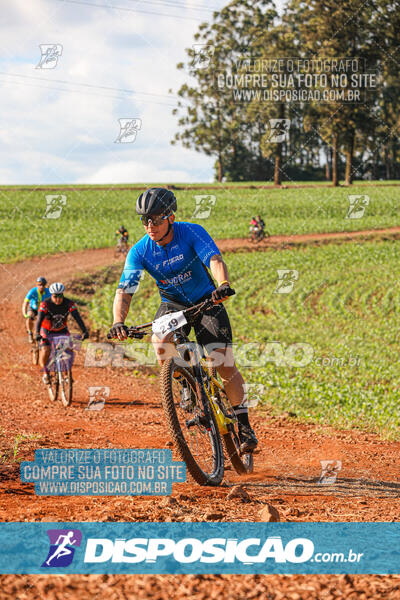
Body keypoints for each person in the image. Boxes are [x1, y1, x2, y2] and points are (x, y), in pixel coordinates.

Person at [109, 187, 258, 452]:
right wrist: (118, 321)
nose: (149, 225)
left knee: (223, 362)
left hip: (206, 300)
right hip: (173, 305)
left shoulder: (190, 232)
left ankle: (244, 424)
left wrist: (222, 283)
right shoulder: (140, 251)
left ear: (171, 217)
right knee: (159, 340)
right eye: (144, 220)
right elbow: (125, 289)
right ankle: (183, 380)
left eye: (155, 218)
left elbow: (213, 258)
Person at [35, 282, 89, 384]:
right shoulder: (45, 304)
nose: (58, 299)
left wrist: (84, 331)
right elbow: (39, 320)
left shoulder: (69, 304)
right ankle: (46, 373)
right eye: (55, 297)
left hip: (62, 330)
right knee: (46, 350)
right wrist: (37, 333)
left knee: (68, 349)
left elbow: (77, 317)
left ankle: (66, 375)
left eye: (60, 296)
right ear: (51, 295)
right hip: (46, 330)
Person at [22, 277, 51, 344]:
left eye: (43, 285)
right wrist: (25, 314)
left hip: (43, 309)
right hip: (33, 309)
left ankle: (46, 334)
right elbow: (25, 303)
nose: (41, 286)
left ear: (45, 285)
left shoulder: (48, 292)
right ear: (36, 285)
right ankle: (30, 333)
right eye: (39, 285)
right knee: (29, 317)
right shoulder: (32, 291)